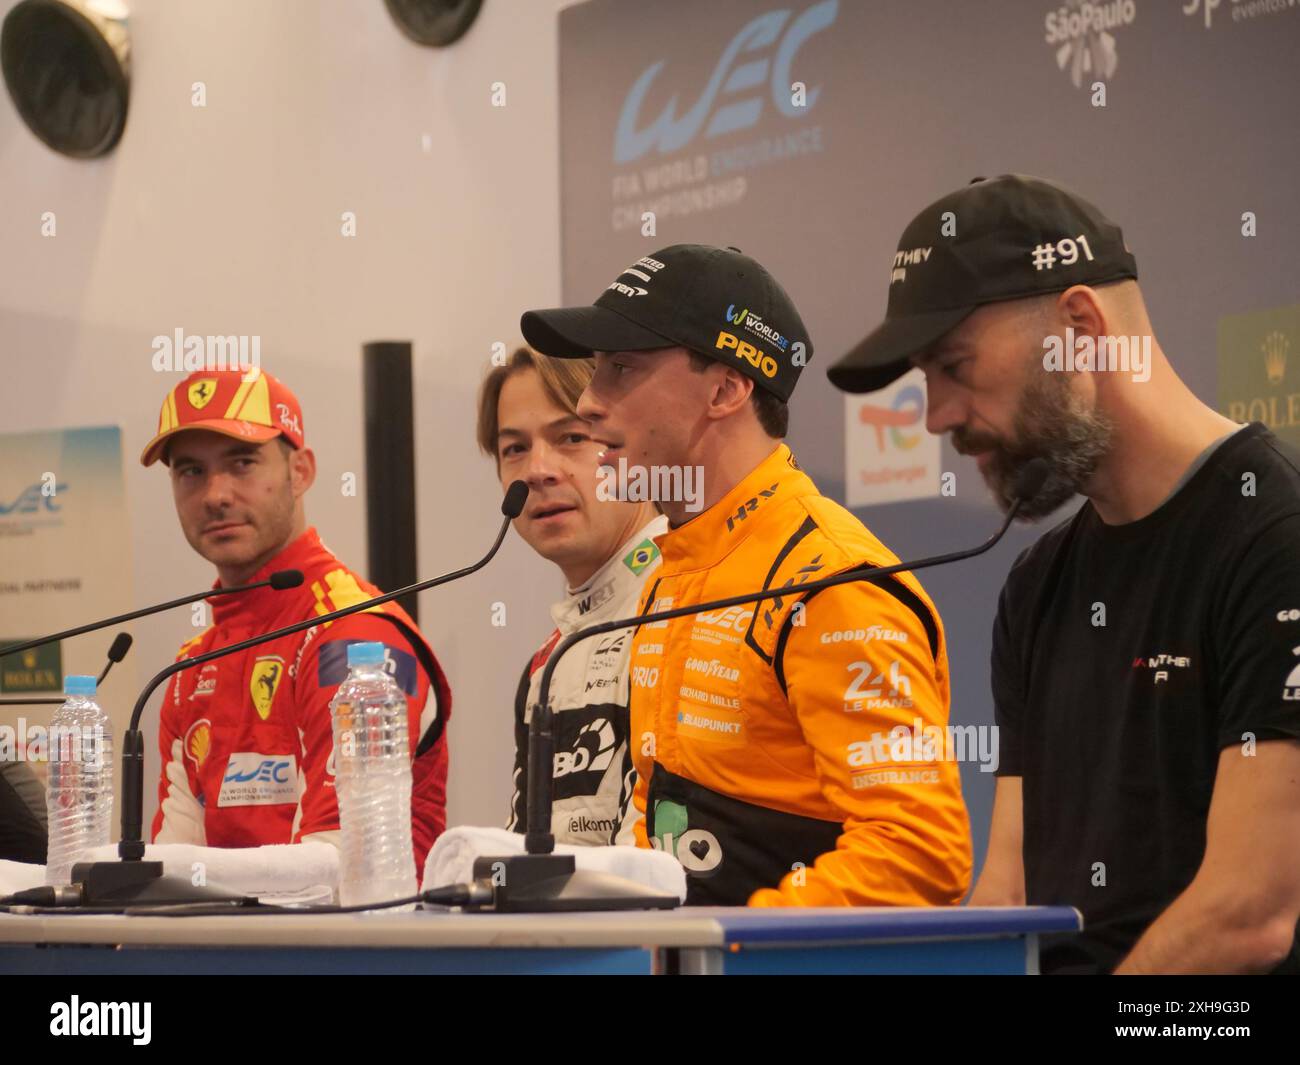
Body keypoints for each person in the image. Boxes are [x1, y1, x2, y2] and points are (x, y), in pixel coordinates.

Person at [828, 173, 1300, 973]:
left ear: (1080, 327)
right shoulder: (1037, 583)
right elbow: (1008, 891)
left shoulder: (1274, 541)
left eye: (955, 365)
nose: (937, 416)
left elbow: (1249, 914)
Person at [521, 244, 972, 906]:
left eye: (621, 368)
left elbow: (918, 853)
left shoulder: (830, 582)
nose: (588, 401)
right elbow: (658, 824)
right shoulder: (671, 573)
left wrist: (722, 945)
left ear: (726, 388)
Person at [140, 367, 451, 870]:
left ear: (300, 472)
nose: (216, 495)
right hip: (226, 947)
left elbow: (337, 869)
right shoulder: (189, 669)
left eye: (242, 463)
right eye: (191, 471)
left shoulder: (355, 638)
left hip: (356, 946)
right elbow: (170, 870)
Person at [477, 346, 666, 845]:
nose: (537, 470)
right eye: (514, 449)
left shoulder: (693, 610)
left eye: (571, 437)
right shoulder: (549, 662)